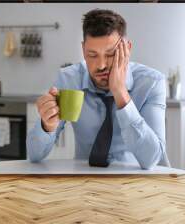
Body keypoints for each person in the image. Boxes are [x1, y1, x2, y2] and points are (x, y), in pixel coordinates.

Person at [26, 8, 170, 169]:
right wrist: (47, 126)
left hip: (134, 179)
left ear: (127, 49)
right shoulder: (68, 79)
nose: (101, 65)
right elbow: (34, 155)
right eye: (92, 55)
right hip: (85, 178)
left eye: (110, 54)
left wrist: (120, 93)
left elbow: (151, 159)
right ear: (83, 50)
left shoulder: (151, 83)